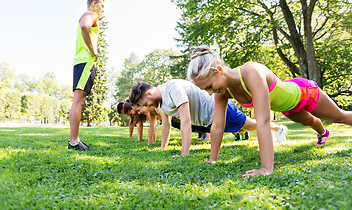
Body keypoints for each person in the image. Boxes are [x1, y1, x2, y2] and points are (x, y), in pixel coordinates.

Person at [187, 45, 352, 178]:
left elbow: (263, 122)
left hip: (305, 93)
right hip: (287, 107)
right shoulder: (223, 92)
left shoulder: (251, 72)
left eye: (210, 87)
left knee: (341, 117)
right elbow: (217, 125)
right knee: (308, 121)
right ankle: (323, 133)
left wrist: (266, 167)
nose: (209, 92)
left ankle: (323, 131)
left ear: (219, 70)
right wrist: (213, 159)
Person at [129, 79, 288, 157]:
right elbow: (166, 125)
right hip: (209, 120)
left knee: (250, 125)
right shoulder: (160, 104)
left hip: (217, 109)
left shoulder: (173, 89)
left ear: (149, 93)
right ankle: (276, 129)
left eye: (145, 103)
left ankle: (279, 128)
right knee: (246, 127)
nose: (147, 107)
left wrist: (184, 154)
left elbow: (186, 122)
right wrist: (163, 147)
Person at [68, 0, 105, 151]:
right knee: (79, 100)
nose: (103, 10)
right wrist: (93, 49)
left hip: (80, 61)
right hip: (85, 61)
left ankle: (74, 141)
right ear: (94, 4)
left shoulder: (88, 15)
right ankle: (74, 142)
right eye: (101, 6)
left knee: (79, 100)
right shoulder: (91, 15)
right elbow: (84, 25)